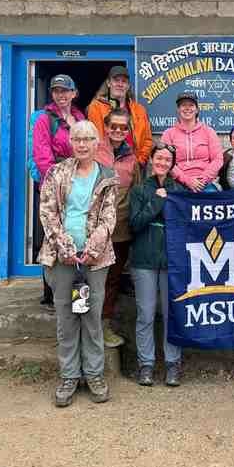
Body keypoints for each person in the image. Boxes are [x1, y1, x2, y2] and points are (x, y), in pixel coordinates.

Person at [38, 120, 119, 407]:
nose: (82, 144)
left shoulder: (107, 176)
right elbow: (48, 213)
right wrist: (68, 248)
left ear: (97, 143)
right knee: (68, 318)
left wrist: (90, 248)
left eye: (88, 139)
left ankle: (95, 374)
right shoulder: (56, 173)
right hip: (63, 258)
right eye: (77, 139)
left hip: (95, 261)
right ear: (70, 143)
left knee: (91, 317)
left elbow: (109, 218)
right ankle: (69, 376)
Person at [129, 142, 183, 387]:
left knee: (172, 314)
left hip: (172, 260)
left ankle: (173, 364)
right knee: (146, 314)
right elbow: (135, 223)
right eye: (158, 158)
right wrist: (157, 202)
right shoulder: (139, 190)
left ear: (172, 164)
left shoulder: (179, 189)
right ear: (151, 160)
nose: (162, 163)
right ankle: (146, 364)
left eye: (167, 160)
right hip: (144, 260)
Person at [32, 74, 85, 307]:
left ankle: (77, 296)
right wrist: (59, 185)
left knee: (76, 235)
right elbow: (42, 157)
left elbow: (84, 150)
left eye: (65, 90)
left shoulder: (79, 117)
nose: (61, 95)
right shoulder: (44, 119)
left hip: (77, 185)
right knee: (53, 238)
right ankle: (51, 294)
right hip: (54, 185)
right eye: (56, 91)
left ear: (74, 93)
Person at [95, 108, 140, 348]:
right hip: (93, 229)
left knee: (112, 279)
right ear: (106, 126)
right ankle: (82, 326)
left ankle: (104, 326)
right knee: (87, 278)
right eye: (114, 126)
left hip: (121, 229)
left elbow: (136, 192)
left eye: (124, 127)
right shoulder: (93, 150)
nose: (118, 131)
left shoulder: (131, 158)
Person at [87, 65, 153, 166]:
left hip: (135, 164)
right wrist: (105, 161)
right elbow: (96, 138)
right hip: (107, 164)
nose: (120, 84)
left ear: (128, 85)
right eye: (116, 80)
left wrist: (140, 160)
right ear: (109, 83)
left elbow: (148, 140)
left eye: (123, 81)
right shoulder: (96, 107)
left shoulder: (139, 110)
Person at [162, 92, 223, 192]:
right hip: (178, 183)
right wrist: (187, 180)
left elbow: (218, 159)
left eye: (191, 105)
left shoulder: (209, 131)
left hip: (205, 183)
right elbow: (167, 161)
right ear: (178, 109)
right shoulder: (168, 134)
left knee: (211, 198)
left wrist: (202, 180)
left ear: (197, 109)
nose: (187, 108)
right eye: (183, 105)